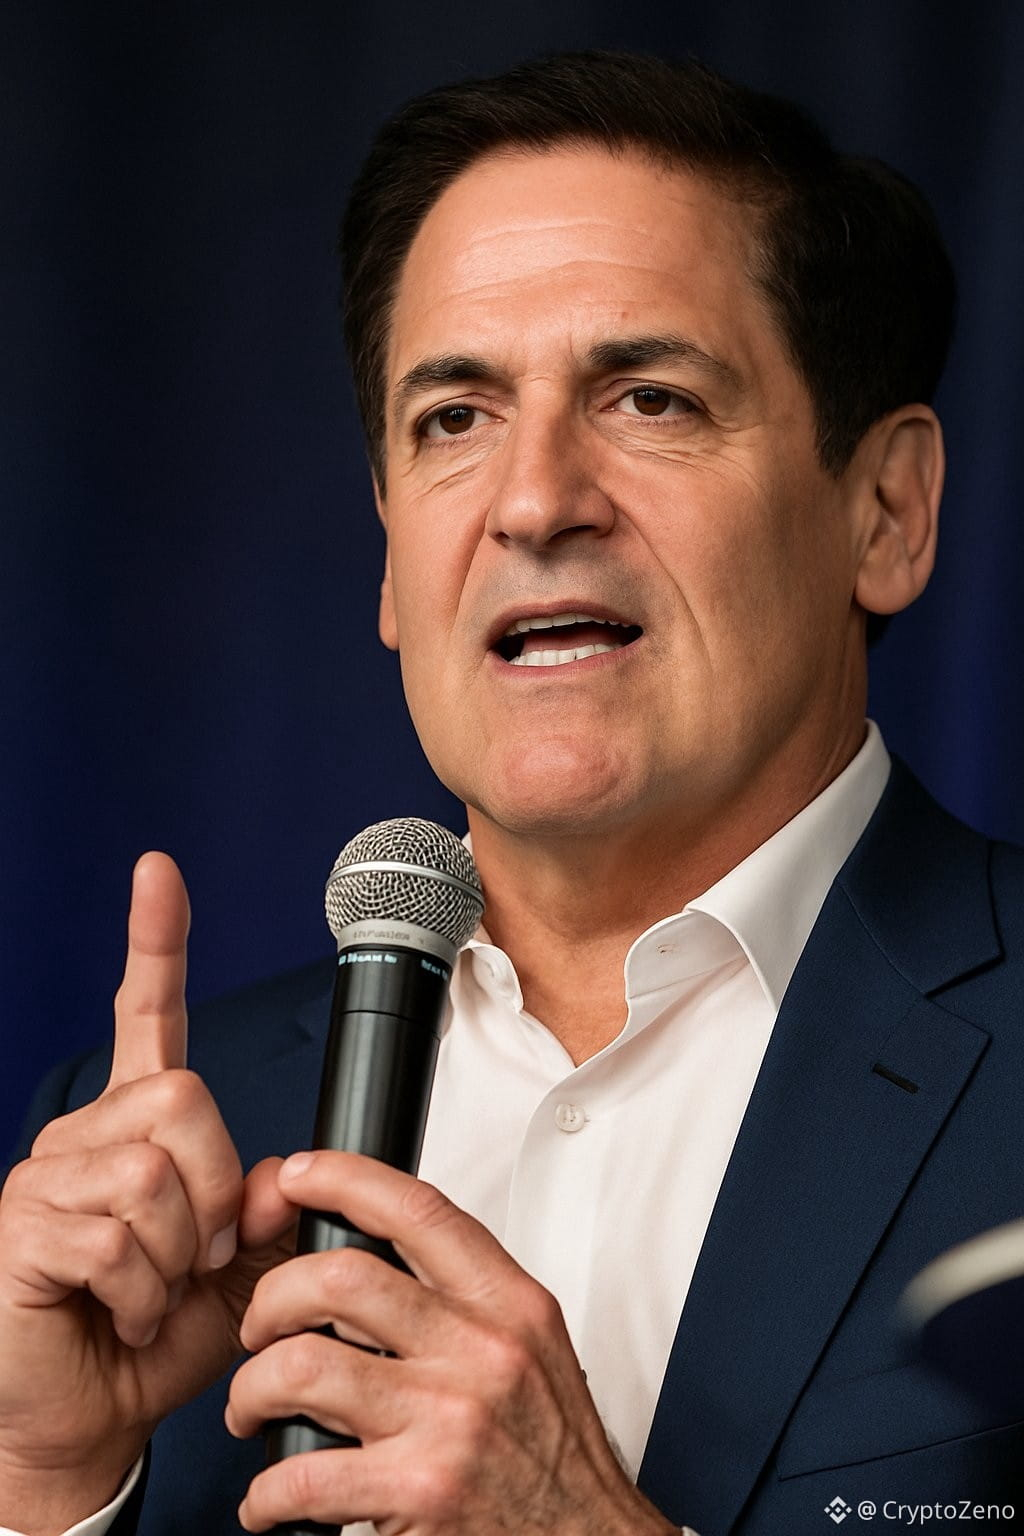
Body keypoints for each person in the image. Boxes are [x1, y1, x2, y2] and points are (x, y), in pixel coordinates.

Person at [3, 48, 1023, 1536]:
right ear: (390, 557)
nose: (535, 501)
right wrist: (48, 1487)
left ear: (886, 510)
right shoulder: (159, 1152)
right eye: (454, 419)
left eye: (652, 399)